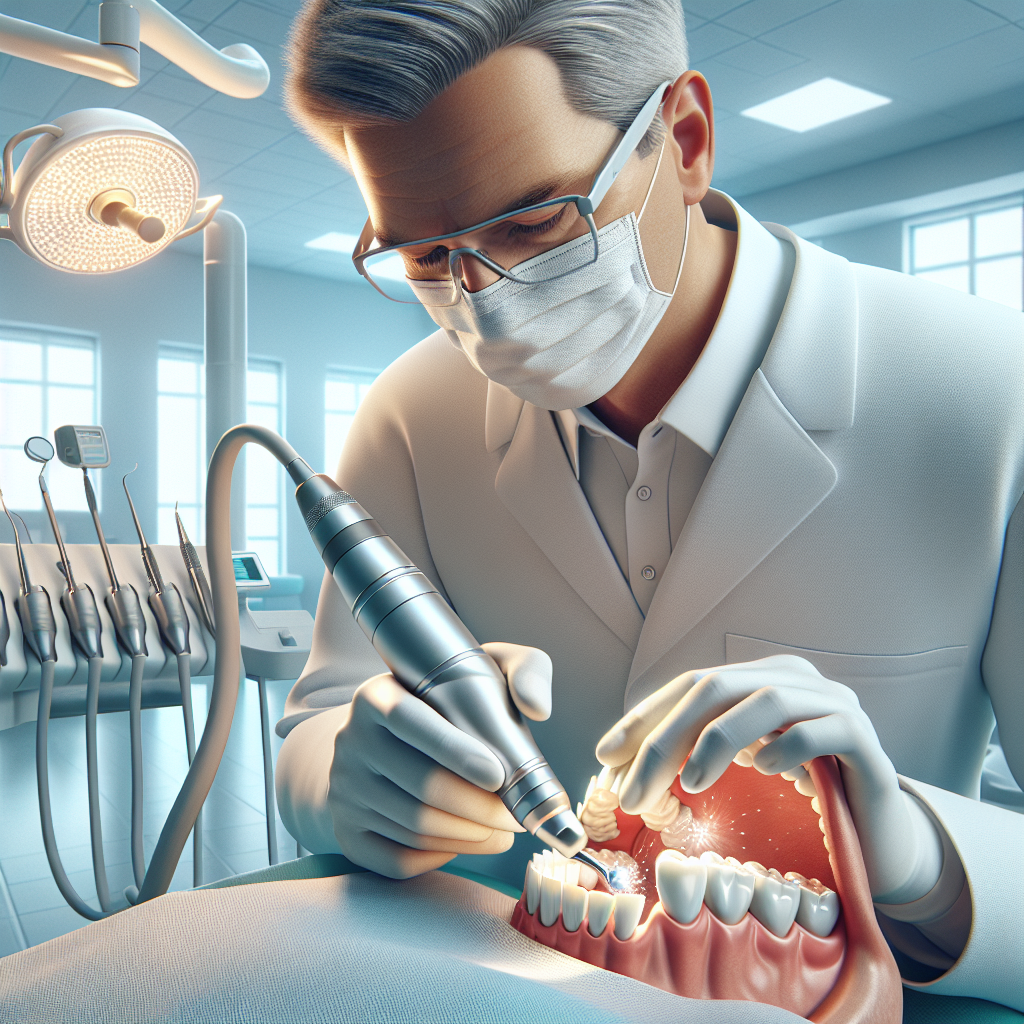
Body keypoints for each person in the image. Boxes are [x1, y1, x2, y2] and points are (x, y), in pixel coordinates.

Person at [274, 0, 1024, 1010]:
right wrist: (349, 779)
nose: (485, 301)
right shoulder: (410, 414)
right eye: (423, 257)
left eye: (535, 219)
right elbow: (319, 726)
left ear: (684, 140)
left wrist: (914, 853)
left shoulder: (987, 392)